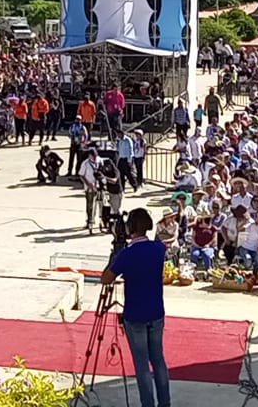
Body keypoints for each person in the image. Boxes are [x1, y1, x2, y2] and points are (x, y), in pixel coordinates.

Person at [102, 208, 171, 407]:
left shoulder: (127, 254)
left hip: (135, 314)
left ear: (130, 227)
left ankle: (147, 404)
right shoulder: (158, 248)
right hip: (156, 311)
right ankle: (165, 403)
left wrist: (115, 255)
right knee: (158, 359)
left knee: (142, 364)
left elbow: (106, 279)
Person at [79, 148, 101, 231]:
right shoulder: (85, 163)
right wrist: (88, 184)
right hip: (89, 187)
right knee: (90, 204)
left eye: (95, 156)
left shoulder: (99, 161)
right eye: (93, 156)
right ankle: (89, 220)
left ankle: (101, 220)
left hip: (99, 185)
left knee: (100, 203)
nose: (95, 158)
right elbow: (81, 175)